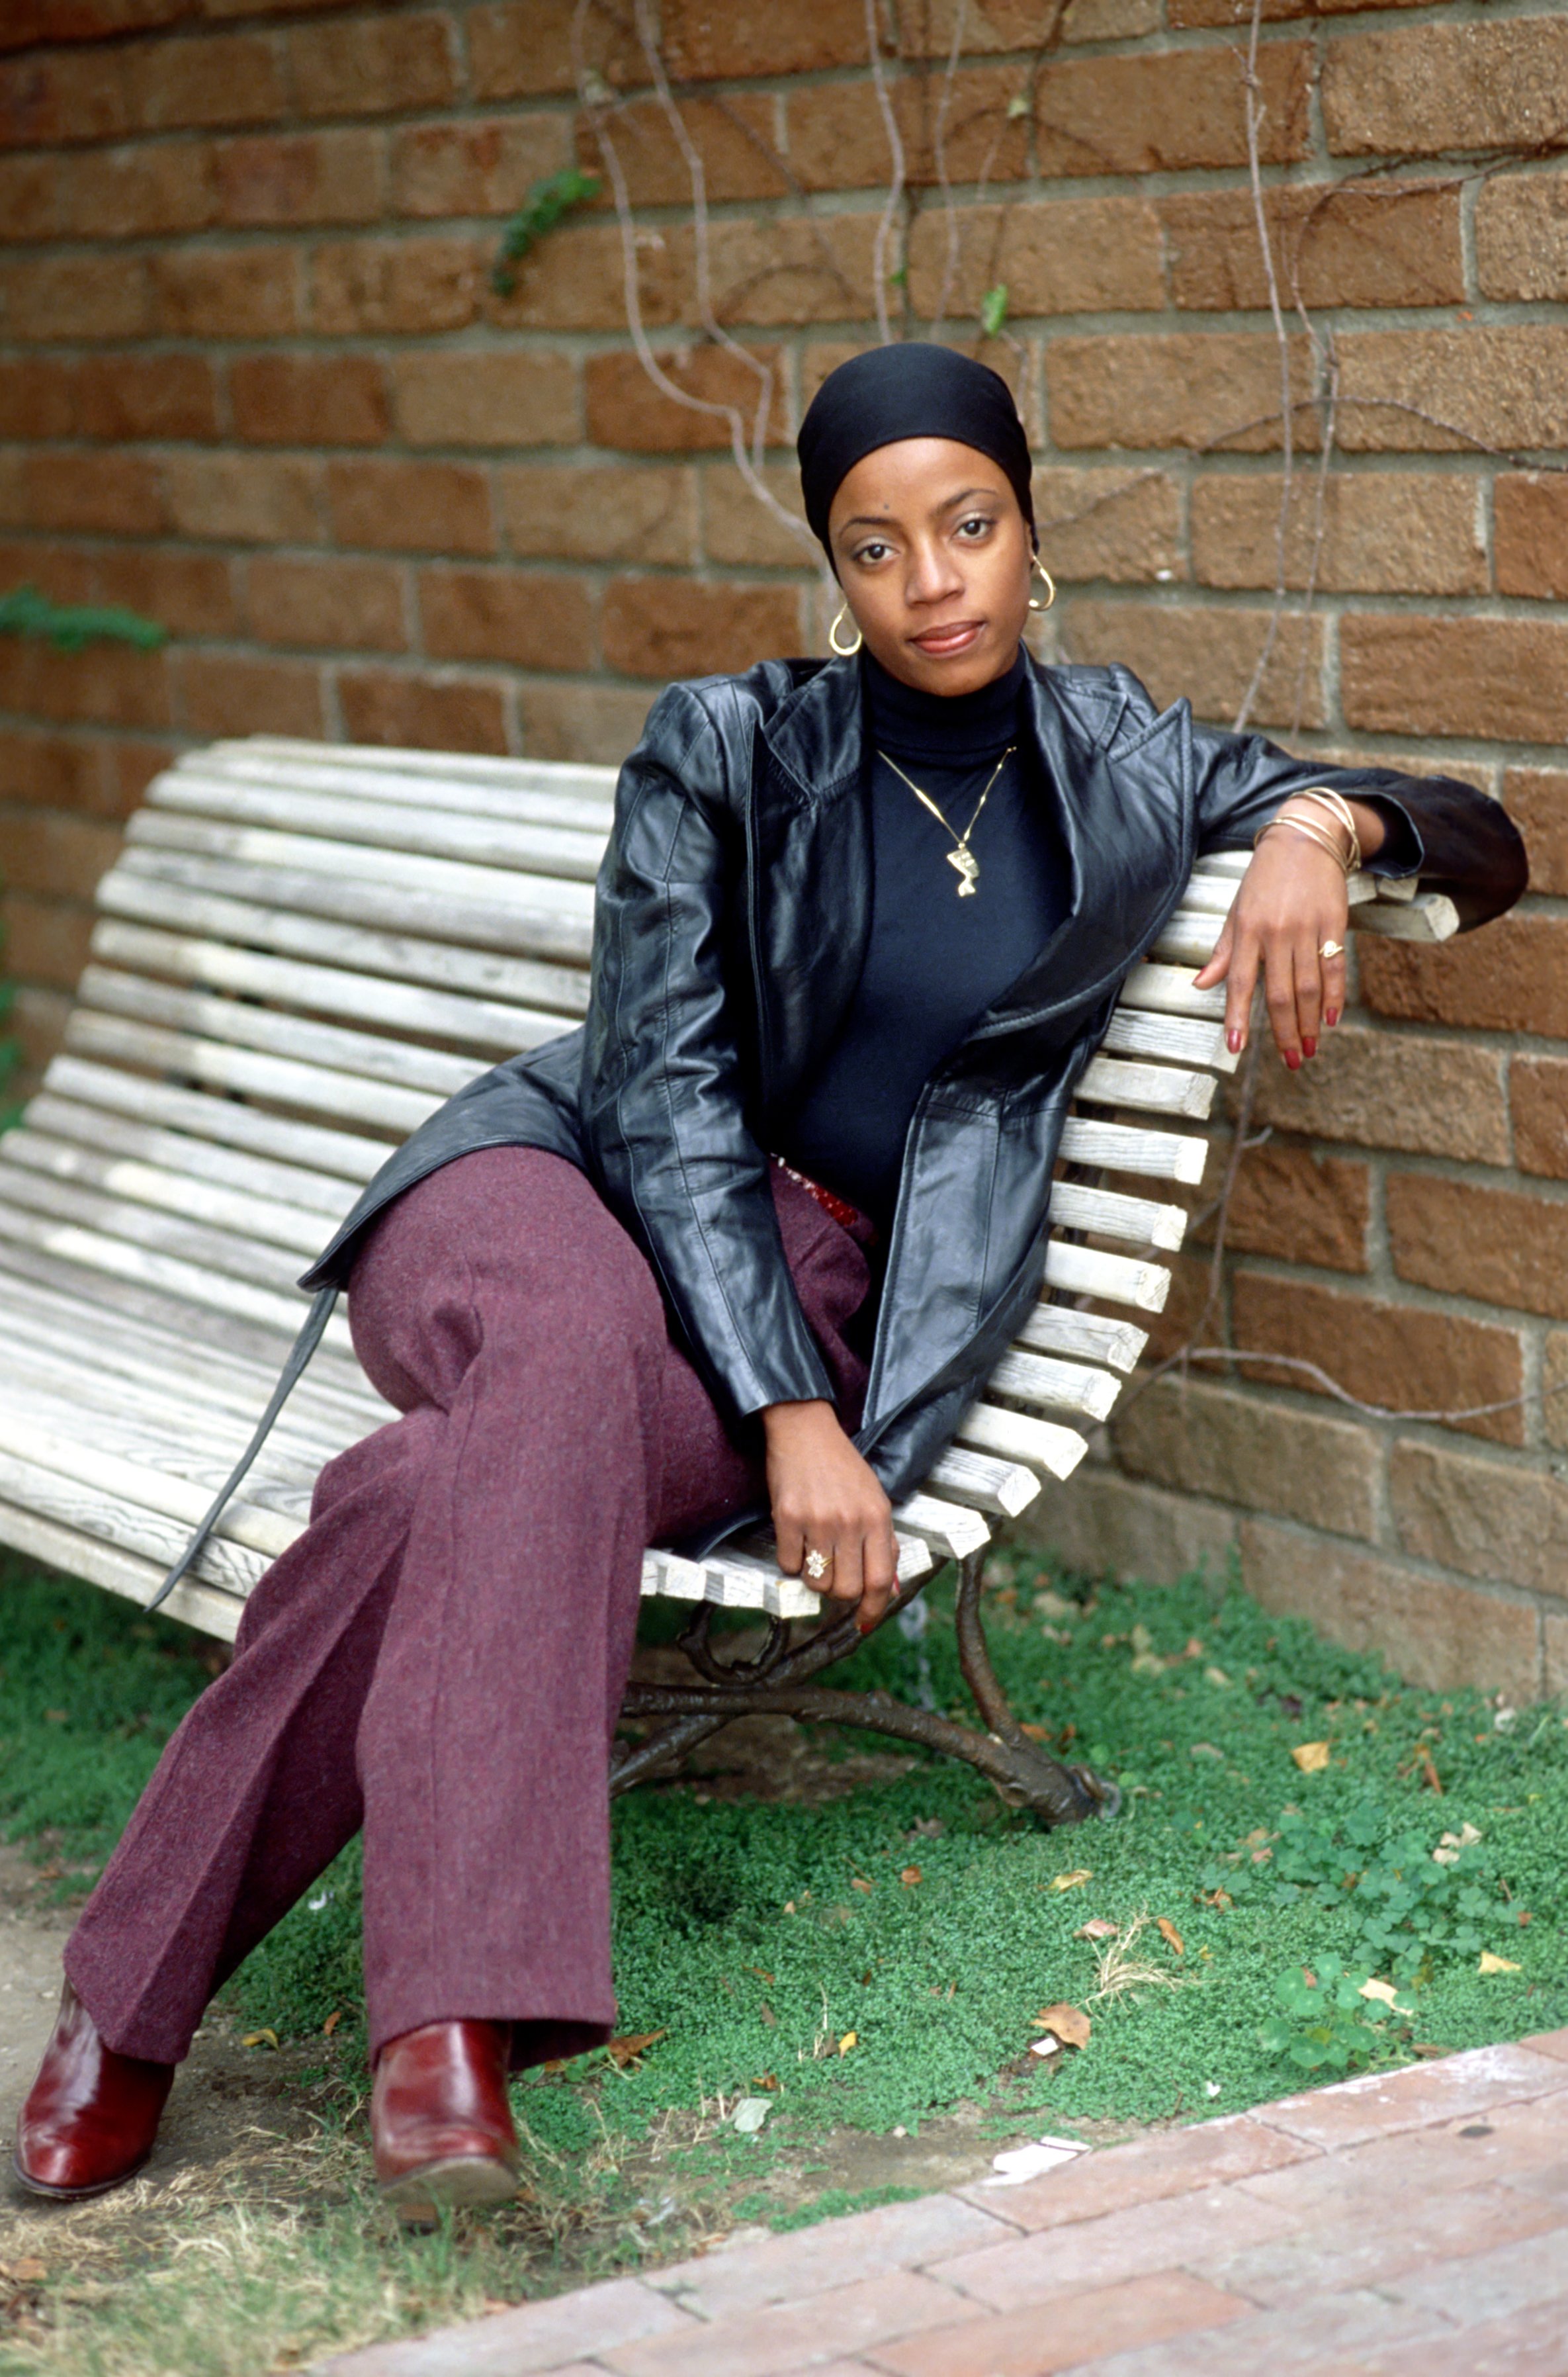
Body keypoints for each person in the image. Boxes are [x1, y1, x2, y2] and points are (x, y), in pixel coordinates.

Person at [13, 344, 1525, 2221]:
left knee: (425, 1497)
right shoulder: (727, 747)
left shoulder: (1134, 763)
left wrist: (1314, 824)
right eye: (877, 546)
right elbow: (659, 1090)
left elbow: (1477, 833)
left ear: (1026, 528)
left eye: (967, 525)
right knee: (554, 1347)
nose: (932, 578)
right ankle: (449, 2043)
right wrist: (794, 1422)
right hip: (549, 1195)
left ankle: (124, 2014)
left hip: (802, 1291)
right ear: (835, 571)